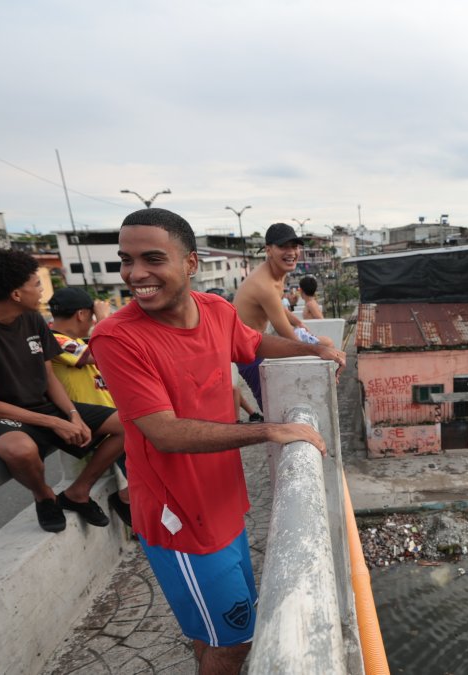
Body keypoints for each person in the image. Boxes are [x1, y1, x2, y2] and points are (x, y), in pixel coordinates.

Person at [89, 208, 346, 674]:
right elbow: (163, 433)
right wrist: (268, 429)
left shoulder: (215, 310)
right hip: (181, 521)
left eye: (152, 259)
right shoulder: (117, 337)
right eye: (126, 260)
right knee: (236, 641)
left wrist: (315, 348)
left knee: (214, 633)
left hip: (223, 505)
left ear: (190, 264)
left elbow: (254, 344)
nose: (136, 274)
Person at [0, 248, 125, 533]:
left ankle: (78, 492)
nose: (41, 292)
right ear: (16, 294)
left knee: (128, 425)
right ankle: (44, 495)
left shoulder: (32, 319)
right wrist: (55, 422)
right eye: (36, 284)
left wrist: (72, 415)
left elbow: (47, 374)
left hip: (41, 406)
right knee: (22, 451)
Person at [48, 287, 132, 526]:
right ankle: (124, 505)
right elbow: (108, 352)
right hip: (98, 425)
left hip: (111, 422)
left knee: (155, 475)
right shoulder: (56, 340)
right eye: (93, 316)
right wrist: (106, 319)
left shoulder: (75, 341)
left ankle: (135, 512)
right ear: (82, 315)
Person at [233, 222, 334, 406]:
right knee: (275, 406)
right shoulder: (264, 285)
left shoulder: (278, 272)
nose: (291, 252)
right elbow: (289, 339)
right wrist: (322, 353)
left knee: (325, 344)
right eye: (283, 247)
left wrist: (298, 322)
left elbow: (278, 306)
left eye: (294, 246)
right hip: (249, 353)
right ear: (268, 250)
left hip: (258, 342)